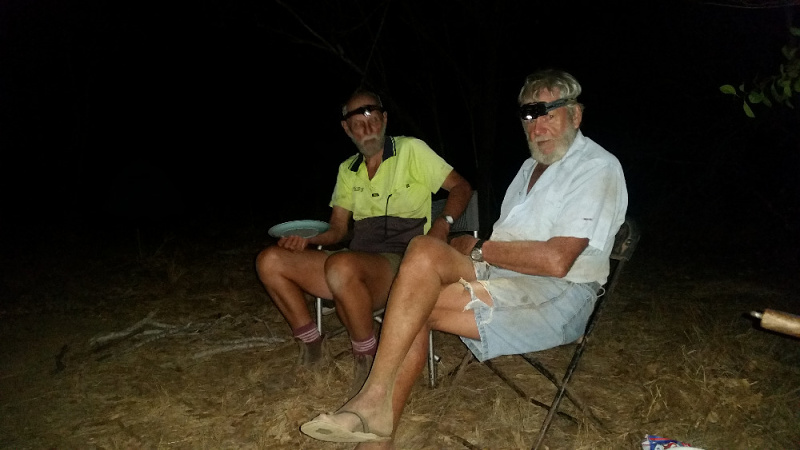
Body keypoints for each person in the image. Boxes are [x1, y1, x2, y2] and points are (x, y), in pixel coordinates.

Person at [299, 69, 628, 447]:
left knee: (416, 301)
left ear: (576, 114)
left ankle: (373, 415)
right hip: (504, 275)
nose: (537, 128)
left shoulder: (596, 167)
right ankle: (376, 415)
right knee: (423, 250)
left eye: (548, 114)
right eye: (528, 116)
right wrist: (470, 247)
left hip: (558, 294)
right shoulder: (529, 168)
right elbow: (507, 244)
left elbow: (557, 261)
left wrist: (480, 247)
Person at [256, 88, 473, 396]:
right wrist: (308, 239)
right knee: (270, 261)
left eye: (373, 120)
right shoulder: (348, 170)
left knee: (342, 266)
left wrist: (442, 224)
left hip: (402, 263)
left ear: (384, 119)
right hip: (355, 263)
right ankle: (312, 346)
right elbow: (337, 230)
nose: (367, 129)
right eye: (358, 124)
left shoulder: (411, 150)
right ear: (347, 129)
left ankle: (368, 361)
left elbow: (461, 187)